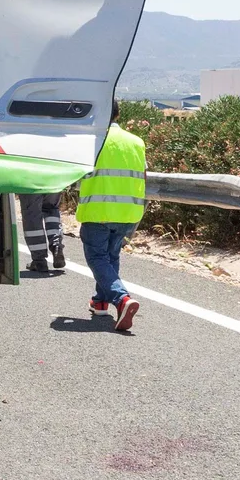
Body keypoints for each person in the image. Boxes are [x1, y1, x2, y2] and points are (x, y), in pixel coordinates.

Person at [77, 100, 148, 332]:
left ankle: (122, 299)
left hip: (99, 211)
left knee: (97, 257)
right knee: (110, 256)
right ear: (118, 114)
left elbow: (79, 172)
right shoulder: (136, 142)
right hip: (128, 212)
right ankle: (100, 302)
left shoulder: (93, 140)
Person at [19, 189, 66, 274]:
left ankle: (39, 261)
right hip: (53, 179)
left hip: (30, 182)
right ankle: (57, 246)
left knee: (32, 215)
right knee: (51, 209)